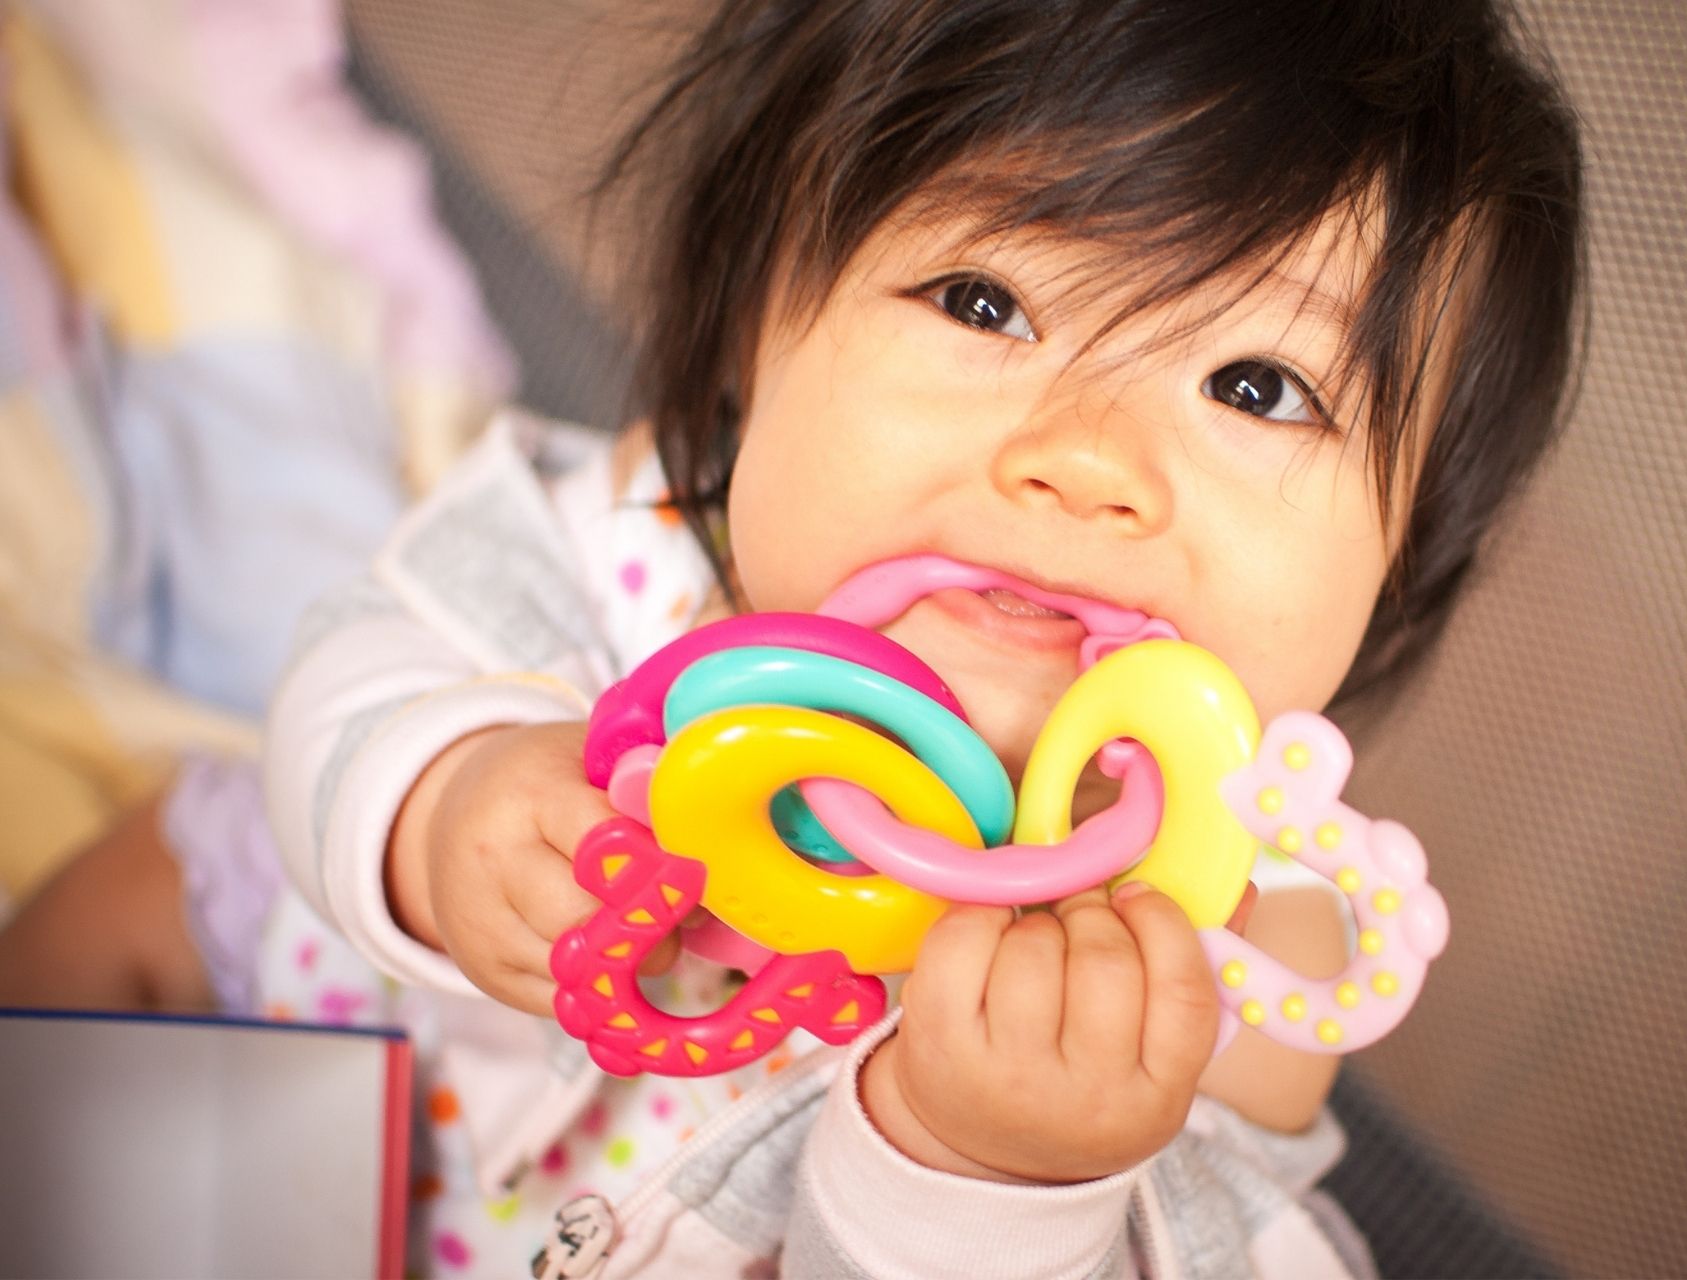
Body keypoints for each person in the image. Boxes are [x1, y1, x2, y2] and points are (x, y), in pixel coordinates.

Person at [20, 1, 1587, 1274]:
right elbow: (361, 659)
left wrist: (998, 1183)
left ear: (1397, 565)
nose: (1087, 457)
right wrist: (438, 805)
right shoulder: (616, 536)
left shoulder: (1234, 959)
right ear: (756, 335)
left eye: (1256, 387)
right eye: (985, 301)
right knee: (157, 879)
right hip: (350, 1078)